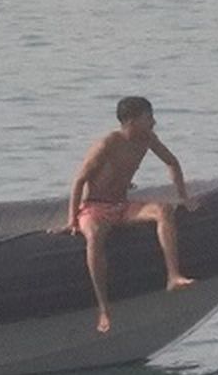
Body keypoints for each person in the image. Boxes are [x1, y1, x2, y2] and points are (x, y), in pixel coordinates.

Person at [57, 96, 197, 333]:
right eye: (148, 118)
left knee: (163, 210)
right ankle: (104, 308)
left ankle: (173, 276)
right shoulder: (108, 144)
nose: (153, 122)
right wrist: (72, 220)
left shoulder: (147, 139)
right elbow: (80, 181)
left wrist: (184, 197)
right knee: (95, 237)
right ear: (131, 121)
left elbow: (171, 162)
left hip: (121, 204)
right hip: (95, 207)